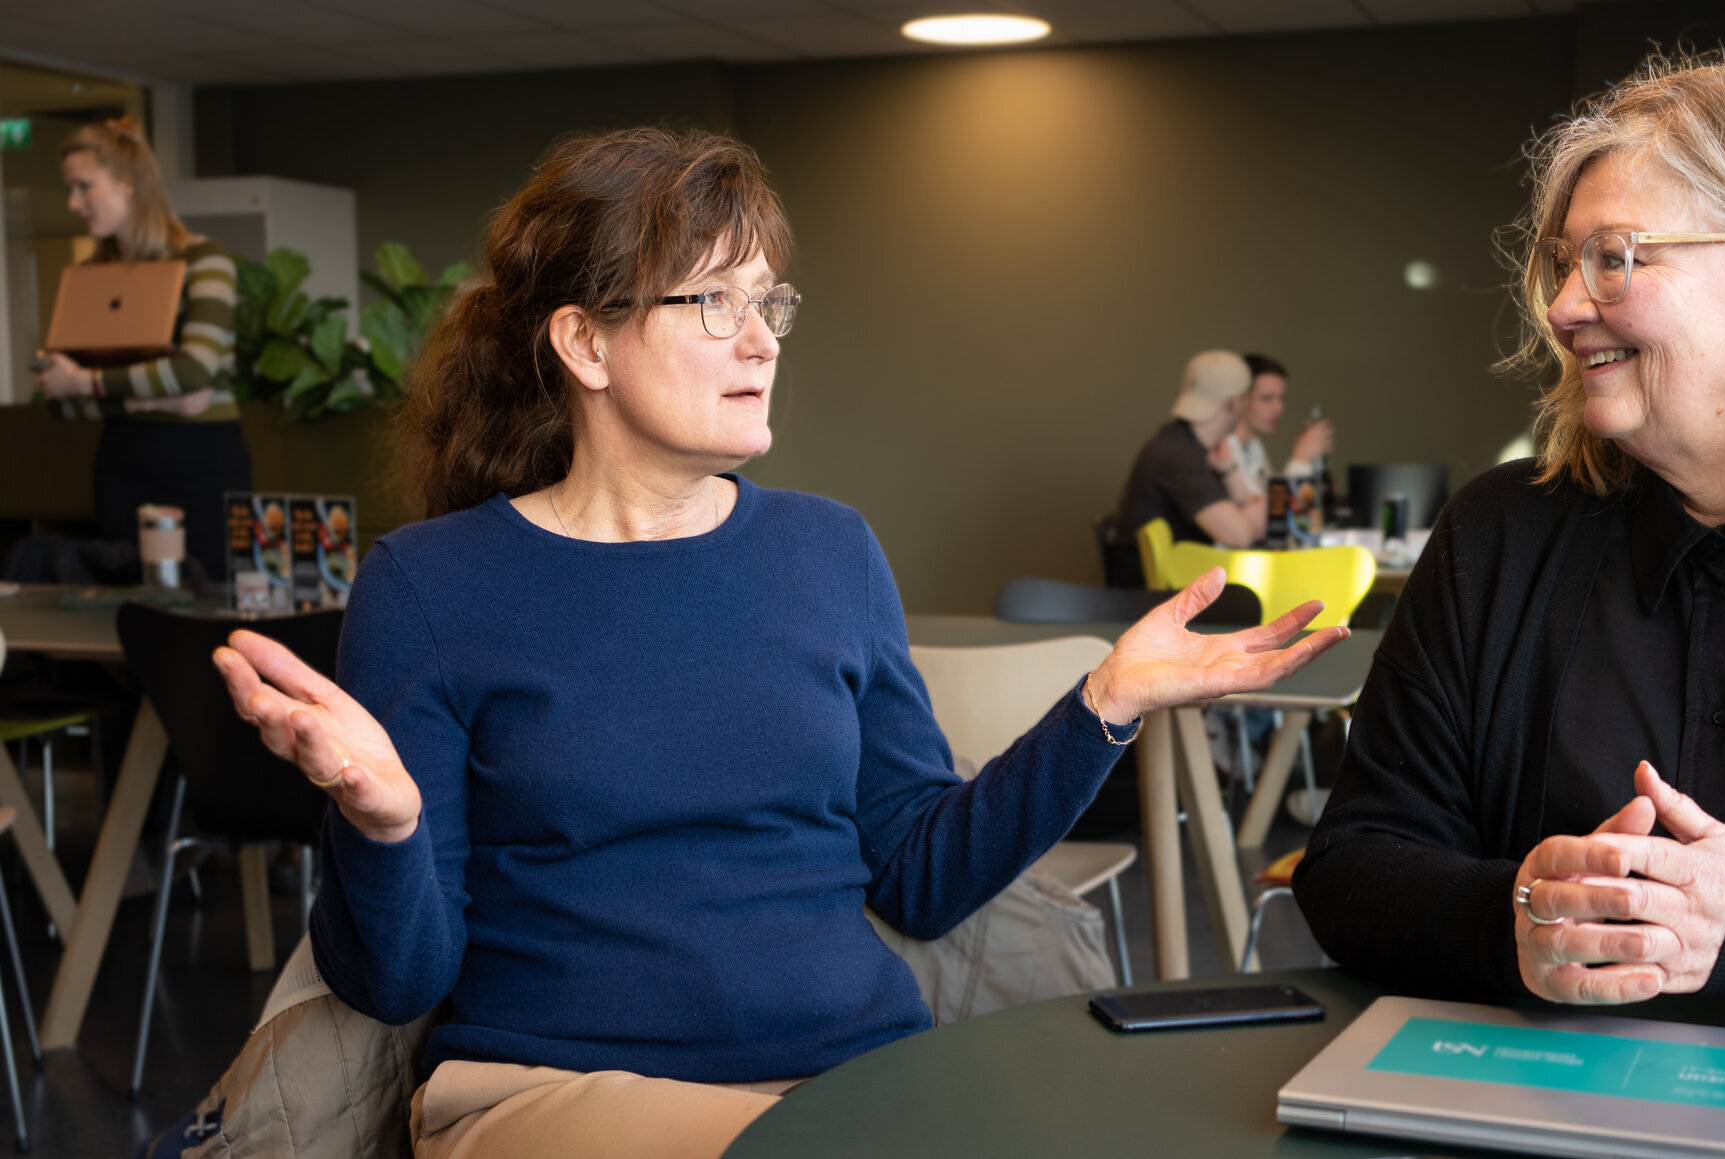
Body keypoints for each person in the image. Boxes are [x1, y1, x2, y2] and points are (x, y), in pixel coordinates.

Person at [212, 128, 1345, 1159]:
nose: (759, 341)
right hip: (555, 1090)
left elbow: (922, 877)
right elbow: (398, 976)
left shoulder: (828, 551)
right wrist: (384, 821)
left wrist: (1105, 701)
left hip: (854, 1077)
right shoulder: (431, 585)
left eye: (769, 301)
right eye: (712, 301)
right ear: (584, 343)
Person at [1294, 43, 1725, 1037]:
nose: (1561, 306)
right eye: (1562, 262)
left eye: (1614, 257)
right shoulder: (1497, 534)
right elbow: (1353, 863)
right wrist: (1514, 917)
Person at [34, 117, 248, 584]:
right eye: (70, 188)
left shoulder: (204, 259)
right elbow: (57, 400)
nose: (73, 203)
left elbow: (193, 371)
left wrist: (88, 382)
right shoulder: (88, 276)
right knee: (129, 601)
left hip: (204, 461)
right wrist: (153, 395)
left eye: (84, 187)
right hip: (124, 462)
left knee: (211, 600)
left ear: (129, 184)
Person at [1105, 351, 1263, 589]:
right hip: (1147, 599)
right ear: (1233, 403)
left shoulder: (1187, 445)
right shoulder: (1178, 455)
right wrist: (1258, 503)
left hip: (1173, 585)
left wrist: (1229, 472)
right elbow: (1239, 535)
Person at [1218, 353, 1333, 507]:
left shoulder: (1254, 446)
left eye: (1281, 398)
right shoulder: (1221, 449)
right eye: (1266, 398)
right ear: (1240, 399)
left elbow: (1269, 501)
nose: (1279, 408)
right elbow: (1270, 511)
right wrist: (1300, 459)